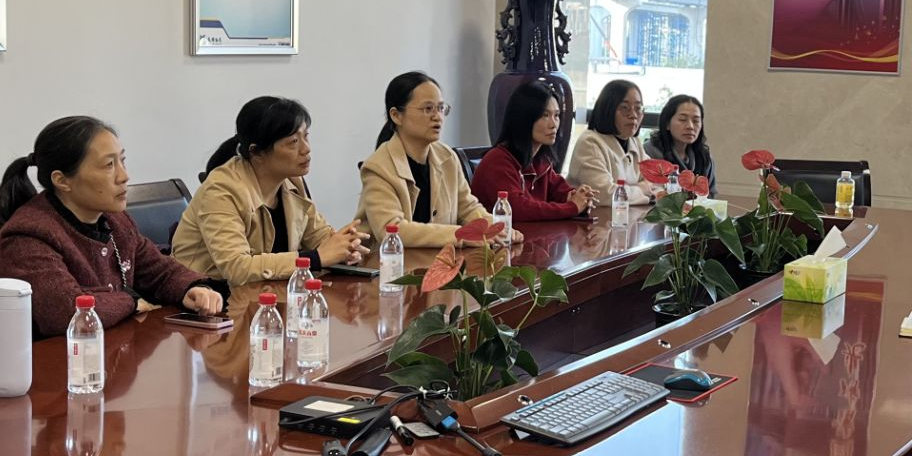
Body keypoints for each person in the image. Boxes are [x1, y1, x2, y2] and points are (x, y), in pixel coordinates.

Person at [0, 116, 226, 338]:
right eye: (109, 165)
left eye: (122, 160)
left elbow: (159, 271)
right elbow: (68, 312)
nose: (124, 176)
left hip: (107, 352)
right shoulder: (28, 236)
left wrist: (192, 288)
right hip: (49, 363)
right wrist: (132, 301)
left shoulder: (115, 220)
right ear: (62, 180)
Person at [173, 97, 367, 284]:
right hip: (207, 297)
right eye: (293, 142)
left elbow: (320, 239)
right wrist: (316, 258)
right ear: (257, 152)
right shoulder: (221, 190)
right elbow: (237, 268)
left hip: (267, 295)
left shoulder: (292, 181)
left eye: (306, 136)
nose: (306, 149)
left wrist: (344, 248)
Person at [359, 72, 507, 247]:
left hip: (440, 260)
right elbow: (392, 230)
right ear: (396, 115)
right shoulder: (378, 167)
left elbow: (468, 209)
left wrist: (498, 229)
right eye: (428, 109)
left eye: (441, 108)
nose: (437, 117)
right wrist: (462, 235)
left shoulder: (447, 157)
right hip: (391, 262)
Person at [469, 82, 596, 222]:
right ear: (524, 118)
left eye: (556, 115)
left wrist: (578, 197)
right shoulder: (497, 161)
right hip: (499, 235)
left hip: (531, 234)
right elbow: (518, 209)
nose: (553, 124)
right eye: (545, 115)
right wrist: (572, 207)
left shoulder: (540, 160)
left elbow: (559, 191)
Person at [568, 80, 665, 204]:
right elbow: (605, 195)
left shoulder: (634, 142)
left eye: (638, 108)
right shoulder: (590, 143)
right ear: (608, 109)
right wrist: (642, 189)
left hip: (629, 214)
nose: (633, 115)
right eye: (625, 108)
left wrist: (639, 190)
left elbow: (655, 181)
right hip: (595, 216)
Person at [645, 94, 716, 191]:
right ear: (667, 123)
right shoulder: (649, 153)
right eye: (683, 119)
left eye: (696, 121)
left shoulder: (704, 158)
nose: (690, 126)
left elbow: (711, 194)